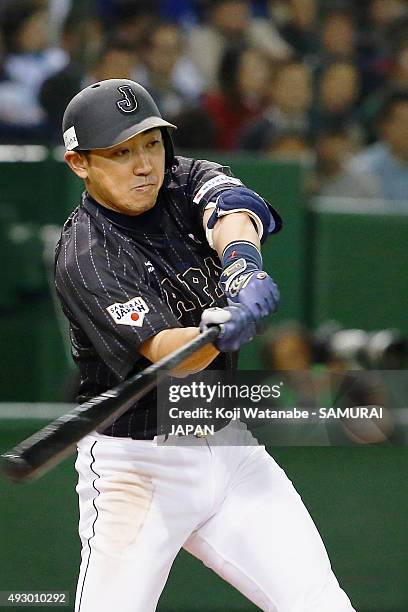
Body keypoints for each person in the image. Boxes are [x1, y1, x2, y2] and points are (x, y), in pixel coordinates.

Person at [56, 78, 355, 611]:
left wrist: (242, 262)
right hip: (139, 467)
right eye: (120, 153)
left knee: (320, 603)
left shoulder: (180, 176)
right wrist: (215, 332)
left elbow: (232, 208)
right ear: (80, 163)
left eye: (150, 143)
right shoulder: (86, 256)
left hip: (230, 447)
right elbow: (175, 357)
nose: (144, 164)